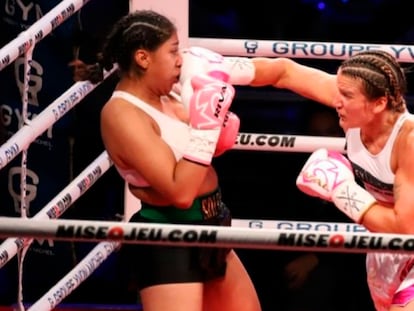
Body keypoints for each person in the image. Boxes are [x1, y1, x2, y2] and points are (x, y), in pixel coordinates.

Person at [81, 10, 261, 311]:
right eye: (173, 51)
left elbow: (197, 158)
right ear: (143, 58)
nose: (181, 59)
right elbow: (179, 192)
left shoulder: (171, 93)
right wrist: (207, 128)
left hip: (213, 225)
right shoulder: (121, 114)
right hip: (170, 237)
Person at [236, 50, 414, 310]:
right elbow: (285, 72)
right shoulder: (356, 106)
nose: (336, 101)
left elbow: (404, 228)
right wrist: (225, 68)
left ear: (379, 103)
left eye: (346, 96)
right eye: (338, 91)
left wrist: (341, 190)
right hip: (383, 251)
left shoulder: (408, 142)